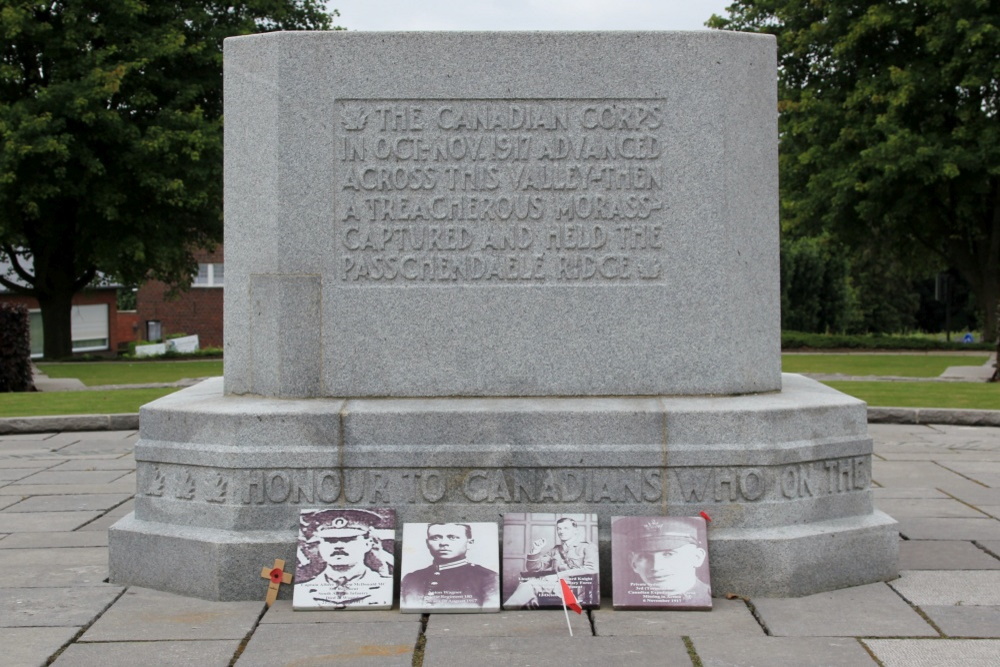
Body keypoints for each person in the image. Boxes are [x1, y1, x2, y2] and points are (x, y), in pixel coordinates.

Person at [297, 509, 394, 609]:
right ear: (320, 546)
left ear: (368, 544)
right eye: (330, 540)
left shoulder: (387, 587)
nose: (338, 546)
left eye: (348, 539)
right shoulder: (302, 591)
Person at [615, 517, 711, 608]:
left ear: (697, 557)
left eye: (669, 554)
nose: (656, 567)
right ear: (633, 563)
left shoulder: (705, 598)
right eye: (645, 556)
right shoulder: (625, 601)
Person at [503, 517, 598, 609]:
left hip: (576, 588)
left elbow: (591, 569)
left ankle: (507, 610)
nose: (561, 531)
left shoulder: (587, 547)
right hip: (556, 586)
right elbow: (534, 568)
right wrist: (536, 550)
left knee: (529, 585)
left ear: (575, 531)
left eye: (566, 528)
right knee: (528, 591)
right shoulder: (555, 550)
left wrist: (558, 576)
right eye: (559, 528)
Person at [400, 523, 500, 611]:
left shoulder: (487, 577)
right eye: (435, 538)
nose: (443, 543)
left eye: (452, 537)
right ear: (427, 543)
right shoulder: (411, 578)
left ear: (469, 543)